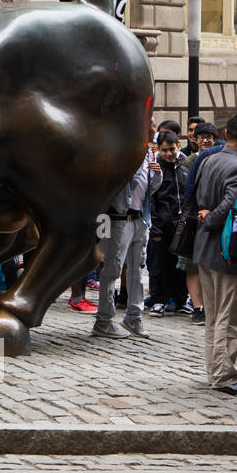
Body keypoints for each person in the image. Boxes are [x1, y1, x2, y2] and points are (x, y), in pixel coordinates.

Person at [194, 112, 237, 395]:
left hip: (206, 248)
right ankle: (224, 375)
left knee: (215, 314)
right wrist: (210, 218)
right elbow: (232, 206)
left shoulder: (210, 159)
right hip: (225, 250)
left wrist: (207, 217)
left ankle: (216, 371)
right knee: (230, 315)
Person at [91, 135, 158, 339]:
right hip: (119, 218)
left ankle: (134, 316)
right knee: (112, 268)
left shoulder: (148, 154)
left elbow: (150, 189)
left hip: (140, 218)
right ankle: (103, 320)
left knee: (137, 268)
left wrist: (158, 174)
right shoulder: (122, 151)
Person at [178, 121, 219, 325]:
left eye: (209, 136)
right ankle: (197, 307)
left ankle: (210, 305)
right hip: (194, 217)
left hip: (213, 216)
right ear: (194, 138)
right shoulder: (190, 160)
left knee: (209, 264)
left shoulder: (220, 157)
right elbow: (185, 190)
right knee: (192, 265)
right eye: (201, 136)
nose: (205, 140)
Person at [147, 130, 189, 316]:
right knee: (158, 266)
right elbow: (151, 198)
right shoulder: (155, 167)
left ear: (178, 146)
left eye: (171, 149)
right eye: (165, 150)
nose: (169, 154)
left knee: (180, 265)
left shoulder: (185, 165)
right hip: (160, 225)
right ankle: (158, 300)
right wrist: (154, 227)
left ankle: (180, 299)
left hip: (180, 225)